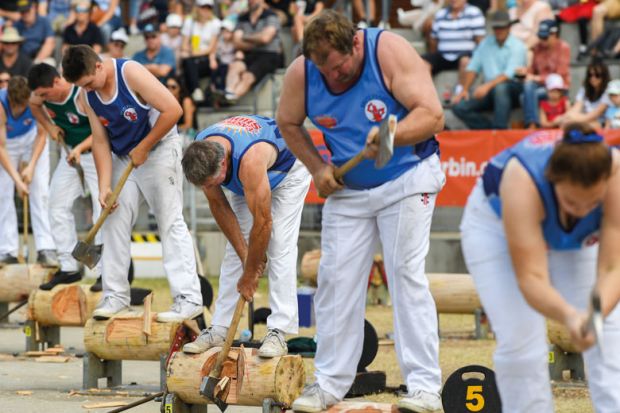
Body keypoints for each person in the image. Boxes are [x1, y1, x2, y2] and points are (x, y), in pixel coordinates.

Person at [276, 10, 445, 413]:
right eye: (324, 70)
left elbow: (433, 114)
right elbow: (287, 121)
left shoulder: (388, 51)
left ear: (354, 44)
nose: (333, 76)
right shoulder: (303, 73)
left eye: (339, 66)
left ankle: (424, 387)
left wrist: (391, 133)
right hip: (349, 189)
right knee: (335, 280)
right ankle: (329, 383)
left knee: (404, 275)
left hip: (407, 177)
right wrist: (317, 168)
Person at [460, 123, 620, 412]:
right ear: (553, 180)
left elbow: (612, 269)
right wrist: (570, 316)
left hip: (580, 240)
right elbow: (531, 278)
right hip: (495, 226)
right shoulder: (522, 180)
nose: (582, 211)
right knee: (521, 345)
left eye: (592, 203)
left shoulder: (617, 174)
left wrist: (593, 316)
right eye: (572, 201)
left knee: (609, 335)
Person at [61, 45, 203, 322]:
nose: (88, 89)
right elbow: (100, 141)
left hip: (160, 148)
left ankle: (188, 298)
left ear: (98, 66)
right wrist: (104, 186)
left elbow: (172, 110)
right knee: (113, 218)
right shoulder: (88, 96)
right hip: (122, 155)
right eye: (82, 86)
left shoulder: (131, 73)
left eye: (89, 82)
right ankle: (115, 296)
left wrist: (146, 146)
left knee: (169, 221)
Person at [181, 115, 311, 357]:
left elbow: (263, 223)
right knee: (234, 251)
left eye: (213, 182)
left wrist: (251, 274)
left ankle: (279, 331)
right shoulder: (201, 150)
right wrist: (245, 256)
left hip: (288, 170)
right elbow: (219, 206)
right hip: (246, 177)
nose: (211, 187)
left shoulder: (250, 159)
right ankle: (220, 328)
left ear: (223, 164)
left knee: (280, 244)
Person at [26, 63, 101, 289]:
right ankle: (69, 267)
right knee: (56, 205)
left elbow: (101, 131)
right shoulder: (40, 96)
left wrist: (80, 148)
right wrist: (50, 129)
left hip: (97, 153)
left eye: (44, 93)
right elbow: (33, 105)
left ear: (57, 82)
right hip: (69, 155)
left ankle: (106, 273)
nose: (41, 98)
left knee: (101, 210)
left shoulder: (81, 96)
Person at [0, 75, 57, 266]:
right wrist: (17, 180)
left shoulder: (36, 101)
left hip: (32, 140)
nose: (18, 110)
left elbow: (43, 135)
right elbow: (1, 148)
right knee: (3, 193)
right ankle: (7, 250)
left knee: (40, 192)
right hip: (8, 144)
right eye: (16, 104)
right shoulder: (1, 104)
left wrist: (31, 166)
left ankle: (45, 248)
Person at [451, 10, 527, 130]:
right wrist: (464, 90)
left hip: (513, 90)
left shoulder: (518, 46)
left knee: (501, 88)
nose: (498, 30)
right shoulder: (485, 43)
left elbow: (509, 74)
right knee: (459, 106)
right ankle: (489, 130)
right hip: (490, 91)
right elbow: (473, 67)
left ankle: (499, 129)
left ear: (509, 27)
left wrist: (486, 86)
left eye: (501, 27)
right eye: (496, 27)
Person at [224, 0, 283, 103]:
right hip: (250, 54)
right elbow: (236, 42)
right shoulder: (242, 18)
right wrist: (257, 41)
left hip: (269, 55)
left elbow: (265, 38)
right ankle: (228, 93)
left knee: (248, 75)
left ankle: (230, 98)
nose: (251, 1)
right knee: (235, 66)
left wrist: (244, 37)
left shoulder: (271, 16)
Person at [422, 0, 485, 89]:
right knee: (423, 62)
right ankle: (426, 92)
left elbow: (480, 41)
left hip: (465, 55)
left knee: (466, 61)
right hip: (443, 55)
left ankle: (460, 93)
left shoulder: (474, 12)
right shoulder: (440, 14)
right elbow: (434, 40)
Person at [519, 19, 570, 129]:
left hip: (559, 88)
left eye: (545, 37)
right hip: (541, 86)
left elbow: (559, 76)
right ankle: (532, 123)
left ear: (554, 35)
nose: (542, 41)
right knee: (527, 87)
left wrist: (535, 78)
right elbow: (532, 70)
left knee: (525, 96)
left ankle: (533, 125)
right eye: (540, 37)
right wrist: (524, 72)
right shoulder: (537, 48)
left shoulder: (563, 48)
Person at [180, 0, 222, 102]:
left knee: (192, 62)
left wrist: (193, 53)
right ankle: (196, 90)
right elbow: (184, 45)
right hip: (194, 57)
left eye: (208, 8)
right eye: (203, 7)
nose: (206, 11)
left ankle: (203, 92)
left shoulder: (215, 23)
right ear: (197, 8)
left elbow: (211, 48)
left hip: (206, 57)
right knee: (189, 62)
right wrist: (192, 52)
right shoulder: (189, 22)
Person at [558, 60, 610, 129]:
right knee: (565, 124)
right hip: (584, 120)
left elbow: (595, 114)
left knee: (591, 126)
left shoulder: (609, 91)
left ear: (604, 76)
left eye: (597, 75)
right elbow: (576, 108)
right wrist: (567, 117)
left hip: (600, 123)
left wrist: (571, 119)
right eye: (590, 75)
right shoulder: (585, 89)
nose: (593, 78)